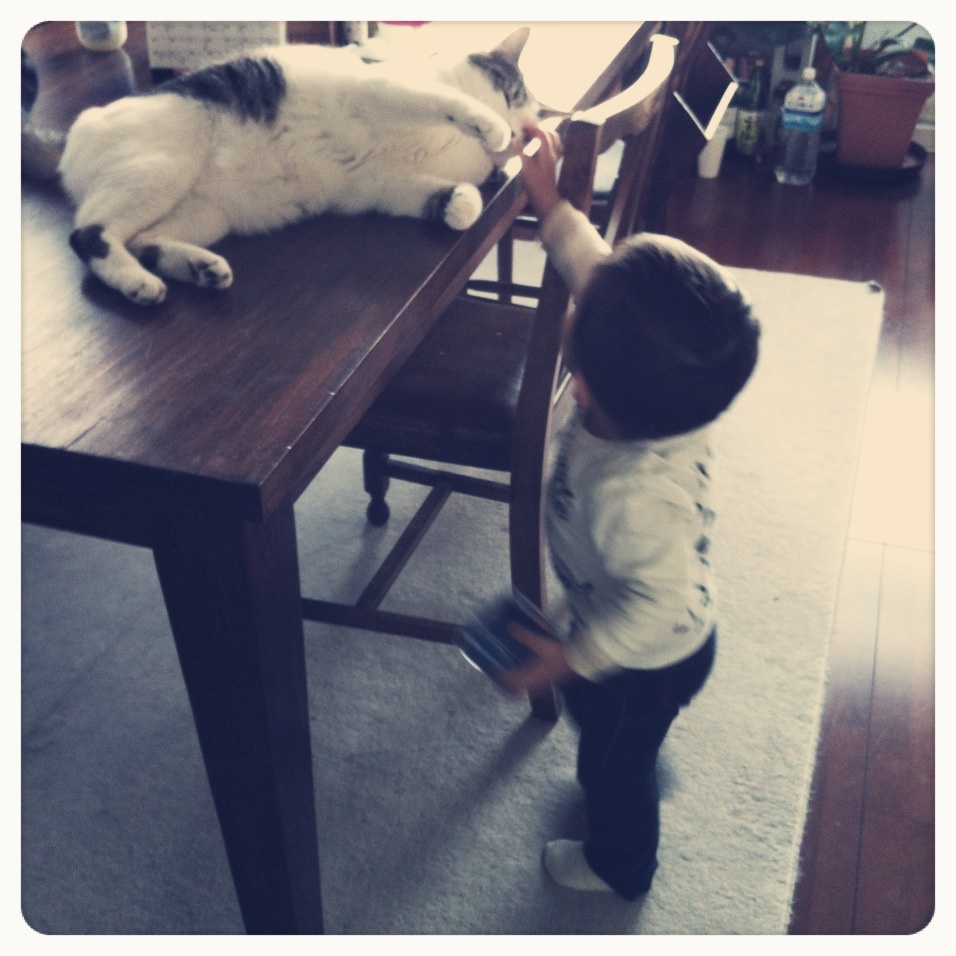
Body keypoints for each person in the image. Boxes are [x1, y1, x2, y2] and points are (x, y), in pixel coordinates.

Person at [498, 126, 761, 900]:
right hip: (646, 633)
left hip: (647, 654)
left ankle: (622, 863)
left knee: (608, 766)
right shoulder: (656, 382)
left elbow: (660, 604)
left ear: (580, 387)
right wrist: (550, 201)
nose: (584, 293)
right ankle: (639, 748)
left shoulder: (636, 495)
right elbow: (592, 270)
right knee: (620, 736)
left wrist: (569, 660)